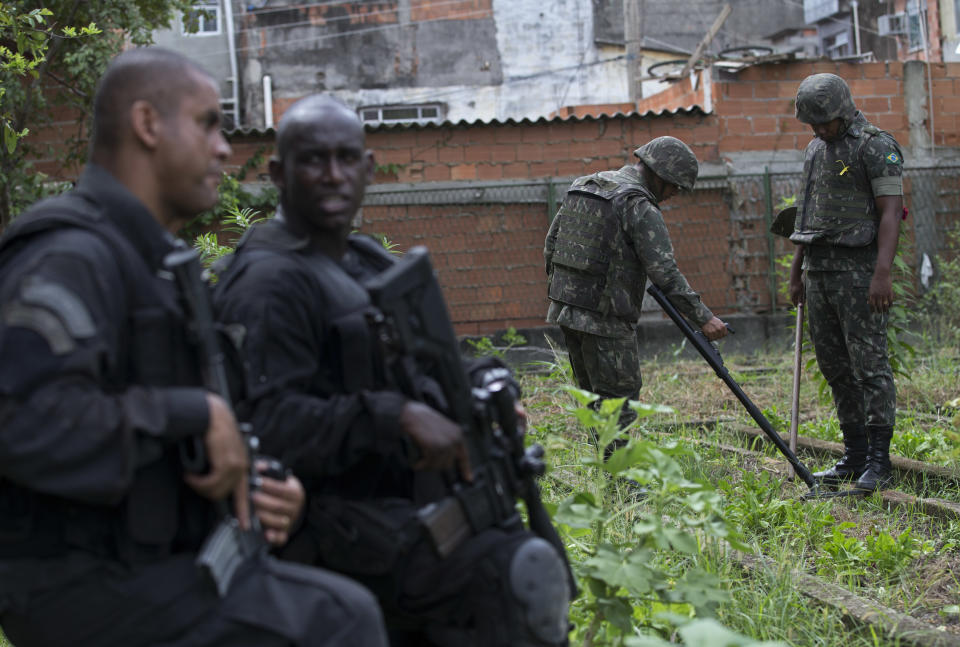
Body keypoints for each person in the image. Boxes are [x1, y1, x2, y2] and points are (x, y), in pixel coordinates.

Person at [0, 48, 388, 647]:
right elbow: (23, 419)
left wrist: (251, 482)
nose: (224, 149)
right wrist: (196, 414)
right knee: (338, 620)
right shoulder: (72, 257)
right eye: (208, 123)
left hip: (152, 563)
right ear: (148, 124)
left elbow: (150, 428)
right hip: (78, 586)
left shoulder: (152, 262)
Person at [212, 95, 571, 647]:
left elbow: (442, 360)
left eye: (346, 158)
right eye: (313, 160)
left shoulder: (365, 259)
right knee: (514, 578)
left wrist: (486, 383)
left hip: (415, 505)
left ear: (369, 167)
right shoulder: (267, 282)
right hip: (333, 526)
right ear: (279, 174)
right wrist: (393, 417)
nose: (333, 175)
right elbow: (265, 424)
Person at [544, 136, 728, 433]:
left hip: (568, 311)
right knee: (619, 404)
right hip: (607, 321)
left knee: (594, 403)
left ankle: (606, 475)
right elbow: (664, 272)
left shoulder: (585, 186)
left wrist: (564, 294)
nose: (674, 195)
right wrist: (704, 318)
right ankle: (623, 478)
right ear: (660, 175)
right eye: (675, 187)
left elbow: (551, 245)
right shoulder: (638, 205)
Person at [788, 73, 904, 492]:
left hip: (860, 274)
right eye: (812, 124)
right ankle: (854, 456)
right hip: (819, 275)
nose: (818, 130)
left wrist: (882, 273)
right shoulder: (816, 149)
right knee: (835, 368)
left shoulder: (877, 146)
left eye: (824, 121)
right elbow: (806, 212)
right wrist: (797, 270)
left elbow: (891, 212)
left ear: (844, 111)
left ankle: (879, 460)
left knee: (869, 367)